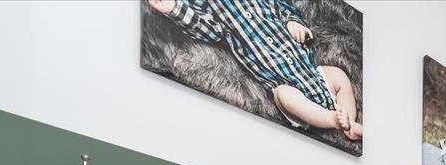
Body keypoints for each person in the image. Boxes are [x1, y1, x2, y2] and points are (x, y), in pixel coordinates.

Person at [146, 0, 362, 140]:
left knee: (339, 76)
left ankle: (349, 122)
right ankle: (332, 119)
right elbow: (209, 30)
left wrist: (293, 22)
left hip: (313, 72)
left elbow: (283, 7)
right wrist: (175, 9)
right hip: (283, 82)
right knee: (286, 97)